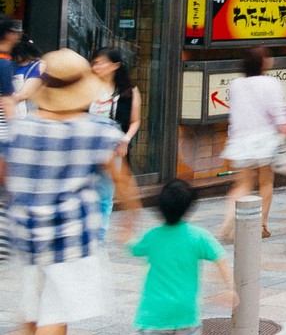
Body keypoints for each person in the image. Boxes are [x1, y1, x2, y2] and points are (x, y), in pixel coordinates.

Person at [0, 49, 136, 335]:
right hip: (70, 235)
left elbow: (4, 174)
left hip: (27, 233)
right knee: (54, 313)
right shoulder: (99, 130)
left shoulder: (19, 129)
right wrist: (130, 216)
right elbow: (121, 179)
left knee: (32, 312)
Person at [129, 179, 232, 334]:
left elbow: (133, 248)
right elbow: (220, 257)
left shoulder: (152, 237)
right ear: (188, 208)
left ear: (160, 208)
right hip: (185, 313)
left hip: (154, 314)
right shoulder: (198, 236)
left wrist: (126, 229)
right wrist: (230, 287)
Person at [218, 46, 286, 241]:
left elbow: (234, 114)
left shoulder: (236, 84)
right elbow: (279, 114)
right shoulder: (271, 83)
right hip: (265, 139)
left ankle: (227, 223)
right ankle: (261, 225)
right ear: (263, 62)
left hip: (240, 140)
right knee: (265, 182)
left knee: (242, 184)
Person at [89, 46, 142, 237]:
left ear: (115, 65)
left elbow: (135, 120)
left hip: (113, 148)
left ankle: (99, 237)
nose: (97, 66)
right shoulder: (86, 87)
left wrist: (126, 139)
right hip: (87, 147)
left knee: (104, 195)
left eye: (101, 62)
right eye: (95, 62)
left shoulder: (129, 92)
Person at [0, 16, 22, 121]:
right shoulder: (4, 64)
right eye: (16, 32)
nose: (18, 36)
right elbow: (7, 102)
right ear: (8, 34)